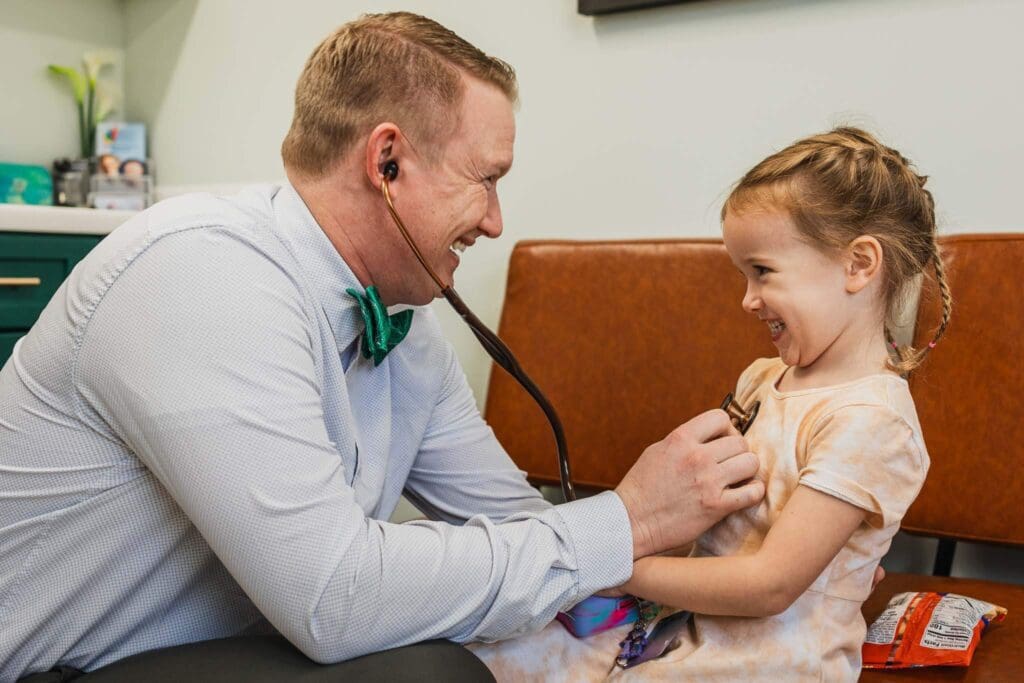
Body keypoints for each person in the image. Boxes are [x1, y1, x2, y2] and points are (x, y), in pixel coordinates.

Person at [0, 13, 762, 681]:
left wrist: (683, 562)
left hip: (206, 651)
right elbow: (336, 597)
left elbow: (510, 523)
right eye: (486, 179)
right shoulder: (202, 274)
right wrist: (626, 519)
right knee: (428, 672)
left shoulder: (409, 330)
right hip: (54, 664)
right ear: (387, 162)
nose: (495, 221)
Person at [472, 127, 948, 681]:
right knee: (488, 655)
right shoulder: (762, 378)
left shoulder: (874, 421)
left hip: (766, 659)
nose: (747, 300)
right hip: (683, 628)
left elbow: (770, 584)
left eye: (762, 271)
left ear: (859, 265)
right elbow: (704, 513)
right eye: (742, 275)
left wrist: (628, 570)